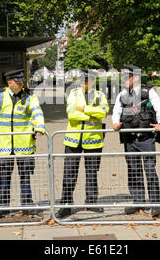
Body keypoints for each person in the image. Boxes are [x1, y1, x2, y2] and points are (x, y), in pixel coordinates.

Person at [0, 69, 46, 220]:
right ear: (9, 82)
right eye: (18, 81)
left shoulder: (29, 95)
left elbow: (37, 112)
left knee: (25, 176)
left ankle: (27, 205)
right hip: (5, 145)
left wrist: (39, 126)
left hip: (25, 144)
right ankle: (3, 207)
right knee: (4, 177)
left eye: (22, 81)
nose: (21, 84)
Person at [112, 65, 160, 217]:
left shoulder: (149, 92)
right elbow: (116, 110)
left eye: (126, 77)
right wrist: (115, 122)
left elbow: (159, 108)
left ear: (135, 77)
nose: (123, 80)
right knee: (133, 170)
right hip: (130, 139)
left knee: (150, 171)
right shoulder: (122, 94)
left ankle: (155, 204)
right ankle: (138, 202)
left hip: (146, 138)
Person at [56, 70, 109, 219]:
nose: (84, 83)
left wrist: (84, 109)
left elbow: (103, 112)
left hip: (93, 140)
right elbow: (71, 113)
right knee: (69, 174)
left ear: (92, 81)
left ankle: (92, 202)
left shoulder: (100, 95)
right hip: (74, 140)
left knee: (92, 173)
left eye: (87, 80)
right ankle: (66, 205)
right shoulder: (73, 94)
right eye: (82, 80)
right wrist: (92, 112)